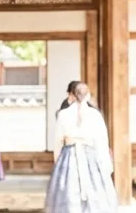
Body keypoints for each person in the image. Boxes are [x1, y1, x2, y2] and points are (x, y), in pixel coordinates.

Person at [45, 82, 118, 213]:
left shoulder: (63, 114)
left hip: (68, 156)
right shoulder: (95, 115)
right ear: (88, 96)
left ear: (72, 95)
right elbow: (101, 142)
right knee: (95, 192)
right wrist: (107, 166)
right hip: (91, 155)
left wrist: (57, 162)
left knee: (68, 190)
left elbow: (58, 141)